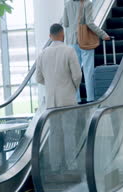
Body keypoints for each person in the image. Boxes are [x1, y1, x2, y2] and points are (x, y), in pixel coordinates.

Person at [35, 23, 81, 172]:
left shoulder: (42, 54)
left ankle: (55, 166)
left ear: (50, 36)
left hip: (51, 101)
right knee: (69, 133)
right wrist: (73, 87)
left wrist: (50, 85)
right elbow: (78, 75)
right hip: (67, 99)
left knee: (54, 134)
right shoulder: (69, 51)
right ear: (63, 34)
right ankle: (71, 165)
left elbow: (38, 78)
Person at [63, 0, 111, 103]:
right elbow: (89, 23)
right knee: (88, 70)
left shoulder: (67, 4)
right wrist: (103, 34)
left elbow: (65, 23)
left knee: (74, 71)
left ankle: (76, 99)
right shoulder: (87, 3)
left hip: (72, 41)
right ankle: (90, 98)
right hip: (85, 41)